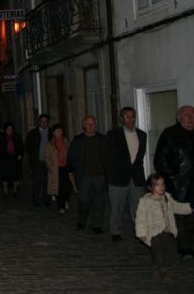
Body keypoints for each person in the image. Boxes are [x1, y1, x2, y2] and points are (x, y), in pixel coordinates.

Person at [154, 105, 194, 257]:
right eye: (187, 114)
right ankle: (185, 249)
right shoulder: (170, 134)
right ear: (178, 117)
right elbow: (161, 160)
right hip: (180, 184)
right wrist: (173, 178)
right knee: (183, 218)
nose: (191, 117)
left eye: (193, 114)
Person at [135, 173, 193, 278]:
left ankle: (158, 267)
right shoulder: (145, 201)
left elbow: (176, 207)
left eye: (162, 184)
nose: (161, 187)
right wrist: (141, 233)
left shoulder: (166, 197)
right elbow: (140, 219)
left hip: (166, 229)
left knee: (165, 249)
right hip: (152, 232)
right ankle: (162, 267)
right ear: (150, 187)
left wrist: (190, 208)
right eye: (157, 185)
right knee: (157, 249)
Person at [105, 107, 147, 241]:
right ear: (121, 119)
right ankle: (115, 231)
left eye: (132, 116)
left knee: (138, 208)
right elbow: (106, 157)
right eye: (127, 116)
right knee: (117, 207)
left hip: (136, 177)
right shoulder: (113, 134)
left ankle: (140, 233)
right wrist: (111, 173)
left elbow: (140, 157)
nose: (130, 119)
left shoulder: (142, 135)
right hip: (118, 177)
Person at [68, 116, 107, 233]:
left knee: (99, 202)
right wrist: (73, 177)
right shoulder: (78, 140)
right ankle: (82, 220)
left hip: (100, 176)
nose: (92, 126)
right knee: (83, 201)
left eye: (94, 124)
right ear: (84, 126)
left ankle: (97, 225)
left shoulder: (102, 139)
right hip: (84, 177)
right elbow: (71, 159)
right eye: (89, 124)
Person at [45, 124, 73, 213]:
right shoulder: (50, 144)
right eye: (57, 131)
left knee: (67, 186)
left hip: (66, 167)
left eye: (60, 131)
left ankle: (65, 200)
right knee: (58, 187)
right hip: (56, 169)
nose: (59, 133)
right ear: (53, 133)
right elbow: (47, 157)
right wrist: (50, 167)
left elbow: (71, 153)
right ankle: (60, 205)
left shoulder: (66, 142)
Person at [25, 114, 51, 207]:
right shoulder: (33, 133)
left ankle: (47, 199)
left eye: (46, 121)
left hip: (48, 161)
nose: (44, 123)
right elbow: (27, 146)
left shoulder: (51, 132)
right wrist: (34, 154)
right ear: (39, 122)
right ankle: (36, 200)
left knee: (47, 181)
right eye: (42, 121)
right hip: (37, 161)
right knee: (37, 181)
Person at [0, 123, 24, 197]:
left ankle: (14, 191)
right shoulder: (2, 137)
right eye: (8, 129)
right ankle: (5, 192)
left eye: (11, 129)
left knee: (15, 175)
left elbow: (21, 147)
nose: (10, 131)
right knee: (5, 176)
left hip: (14, 158)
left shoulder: (17, 137)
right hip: (5, 158)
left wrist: (20, 155)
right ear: (5, 130)